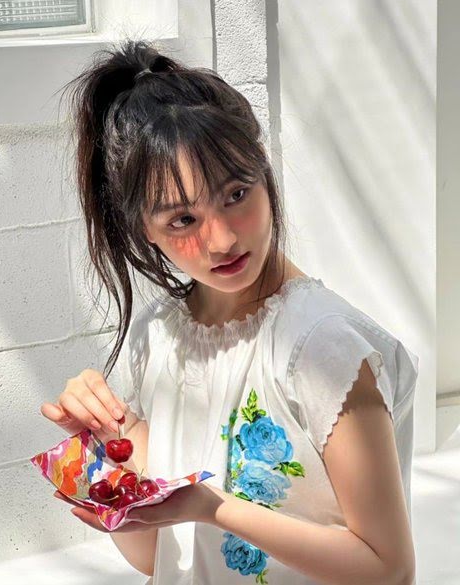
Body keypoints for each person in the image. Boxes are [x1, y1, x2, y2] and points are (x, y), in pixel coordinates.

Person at [40, 38, 419, 585]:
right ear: (142, 228)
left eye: (236, 194)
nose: (221, 239)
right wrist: (105, 448)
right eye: (182, 220)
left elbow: (389, 569)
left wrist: (212, 508)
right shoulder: (158, 337)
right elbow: (157, 557)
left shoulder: (321, 346)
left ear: (263, 169)